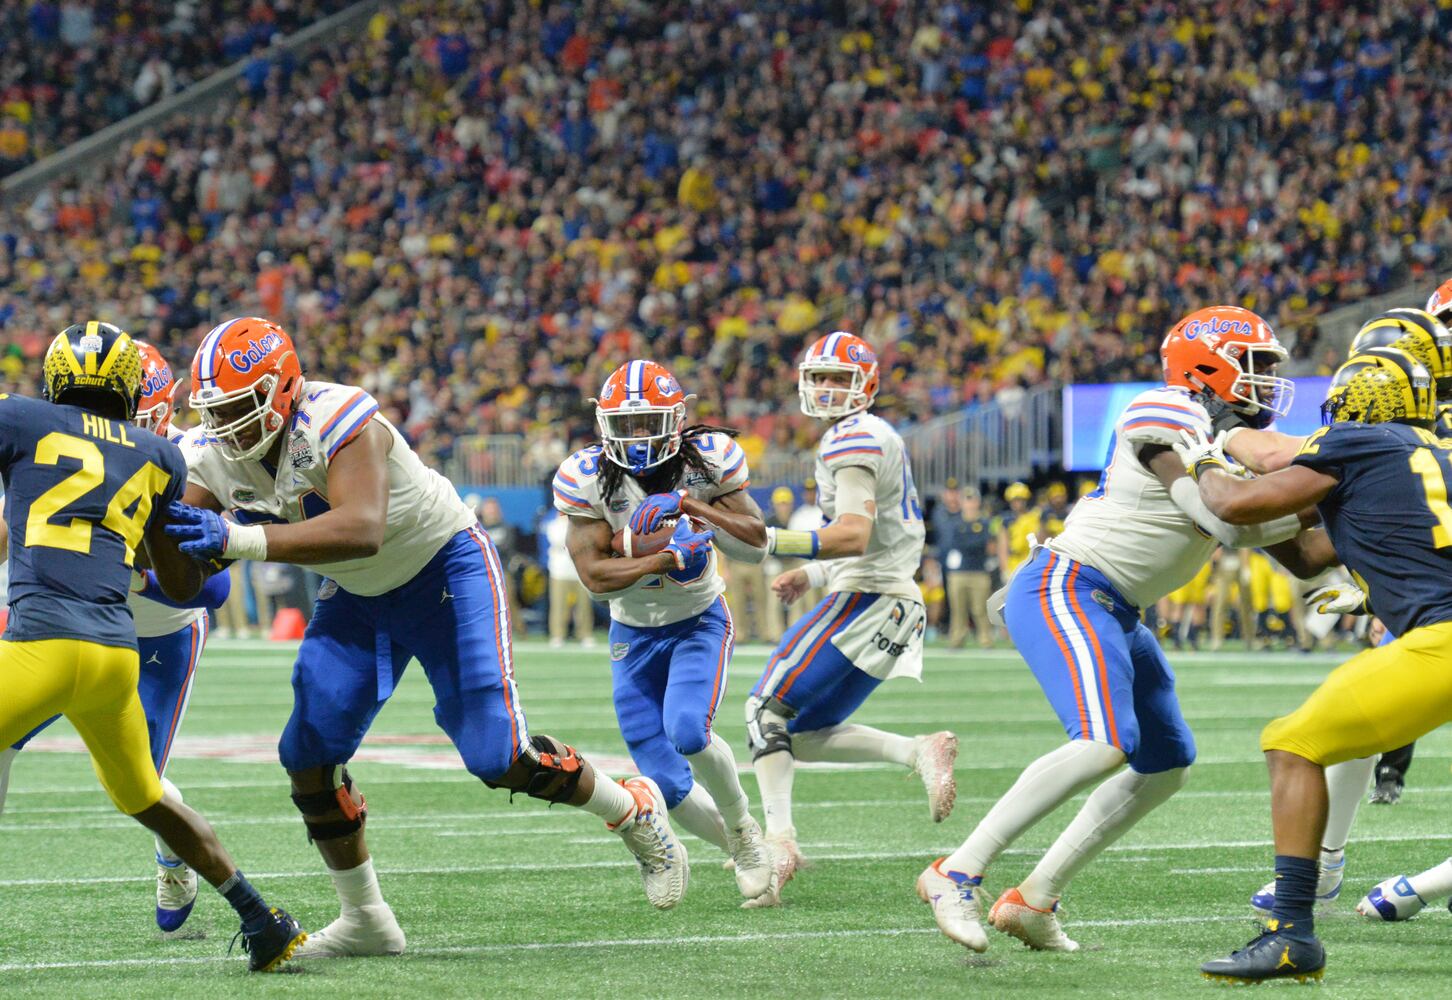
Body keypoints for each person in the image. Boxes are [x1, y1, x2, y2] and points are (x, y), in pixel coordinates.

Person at [164, 319, 688, 958]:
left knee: (498, 756)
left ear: (285, 389)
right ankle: (366, 919)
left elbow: (362, 527)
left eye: (241, 410)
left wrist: (236, 540)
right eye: (215, 413)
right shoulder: (206, 452)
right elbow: (186, 553)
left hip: (442, 567)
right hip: (357, 595)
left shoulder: (340, 416)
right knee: (308, 752)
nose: (227, 430)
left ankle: (630, 808)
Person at [918, 306, 1315, 954]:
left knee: (1166, 762)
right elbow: (1220, 515)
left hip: (1117, 609)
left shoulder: (1219, 446)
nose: (1267, 380)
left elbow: (1306, 553)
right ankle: (954, 871)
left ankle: (1035, 898)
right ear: (1208, 365)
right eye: (1257, 365)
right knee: (1105, 740)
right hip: (1067, 586)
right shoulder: (1165, 408)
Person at [0, 322, 304, 970]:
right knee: (146, 795)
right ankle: (262, 919)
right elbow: (188, 578)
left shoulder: (24, 420)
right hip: (112, 655)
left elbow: (195, 596)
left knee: (150, 783)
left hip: (66, 639)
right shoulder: (159, 457)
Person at [1190, 346, 1452, 983]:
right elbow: (1309, 554)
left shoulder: (1365, 445)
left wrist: (1200, 449)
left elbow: (1233, 504)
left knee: (1293, 743)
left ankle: (1292, 933)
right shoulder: (1428, 455)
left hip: (1442, 642)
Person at [0, 341, 233, 933]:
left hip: (162, 635)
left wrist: (127, 567)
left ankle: (174, 857)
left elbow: (211, 591)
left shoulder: (187, 460)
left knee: (144, 784)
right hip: (80, 625)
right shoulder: (96, 443)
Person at [553, 359, 776, 903]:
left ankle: (745, 831)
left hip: (698, 619)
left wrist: (692, 507)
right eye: (623, 425)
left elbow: (757, 540)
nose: (634, 437)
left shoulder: (708, 461)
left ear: (675, 420)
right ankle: (741, 850)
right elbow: (594, 577)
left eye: (646, 423)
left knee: (688, 732)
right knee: (669, 785)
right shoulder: (586, 476)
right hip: (632, 635)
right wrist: (663, 558)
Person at [749, 332, 957, 899]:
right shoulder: (870, 436)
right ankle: (915, 749)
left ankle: (779, 841)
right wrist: (814, 575)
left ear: (866, 383)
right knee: (804, 733)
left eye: (840, 377)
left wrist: (772, 541)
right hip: (893, 601)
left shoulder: (855, 437)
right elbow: (881, 534)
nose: (828, 388)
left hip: (868, 598)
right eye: (820, 377)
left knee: (763, 712)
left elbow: (853, 534)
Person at [938, 486, 995, 648]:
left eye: (972, 500)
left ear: (977, 502)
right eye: (967, 500)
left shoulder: (984, 522)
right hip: (958, 572)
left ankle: (986, 640)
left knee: (980, 610)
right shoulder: (955, 522)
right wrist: (974, 543)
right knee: (957, 610)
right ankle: (956, 640)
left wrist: (971, 543)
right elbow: (954, 543)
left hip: (979, 571)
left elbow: (987, 544)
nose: (970, 504)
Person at [541, 508, 594, 647]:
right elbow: (559, 540)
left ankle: (585, 634)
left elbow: (586, 541)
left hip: (580, 569)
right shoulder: (554, 524)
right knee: (558, 604)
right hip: (559, 570)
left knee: (583, 605)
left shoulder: (582, 523)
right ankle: (558, 634)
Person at [997, 482, 1038, 576]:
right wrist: (1004, 569)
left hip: (1032, 560)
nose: (1016, 503)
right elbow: (1003, 546)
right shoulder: (1007, 521)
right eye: (1014, 500)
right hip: (1014, 562)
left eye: (1019, 500)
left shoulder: (1035, 517)